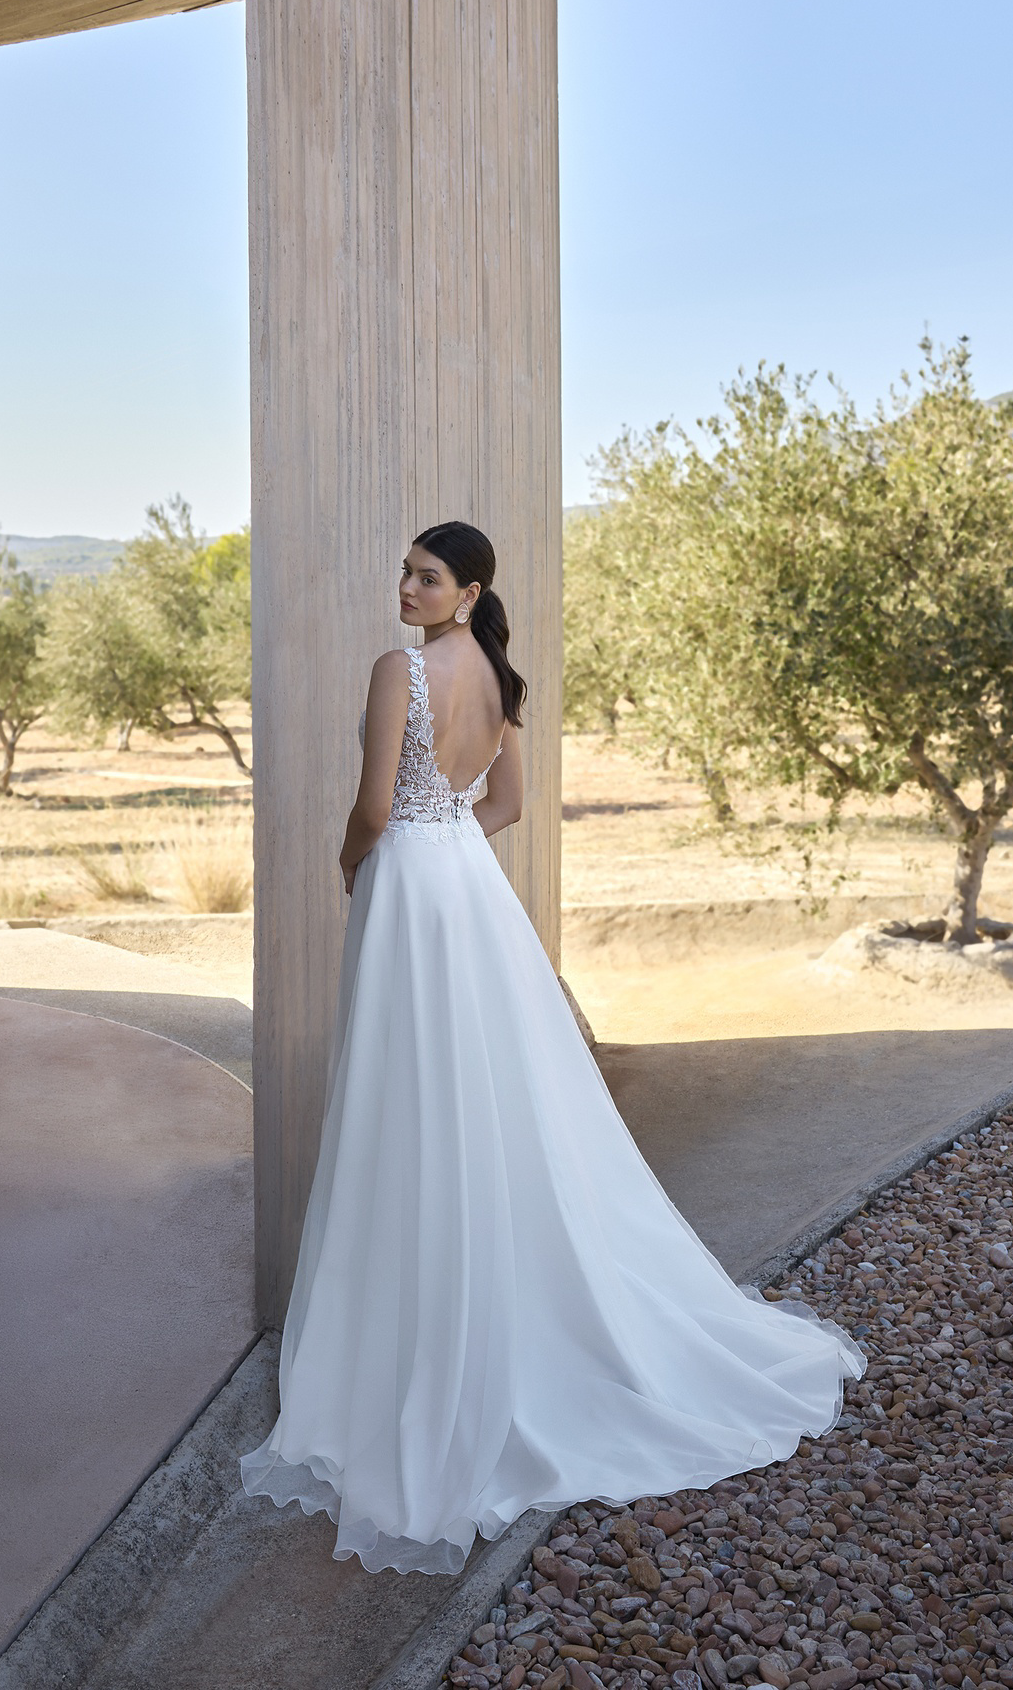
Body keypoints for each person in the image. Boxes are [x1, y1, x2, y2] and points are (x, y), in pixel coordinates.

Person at [240, 519, 864, 1575]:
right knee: (491, 1092)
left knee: (411, 1092)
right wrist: (448, 851)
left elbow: (375, 806)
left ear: (469, 589)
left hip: (409, 893)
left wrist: (360, 865)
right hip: (467, 893)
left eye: (425, 576)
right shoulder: (498, 675)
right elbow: (510, 805)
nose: (405, 586)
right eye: (404, 570)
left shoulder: (404, 669)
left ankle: (418, 1332)